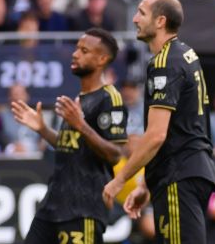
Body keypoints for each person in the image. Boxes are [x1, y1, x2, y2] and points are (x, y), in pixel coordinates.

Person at [102, 0, 215, 244]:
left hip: (178, 175)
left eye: (141, 13)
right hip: (188, 170)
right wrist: (145, 185)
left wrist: (119, 181)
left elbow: (156, 135)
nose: (134, 19)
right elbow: (179, 129)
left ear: (160, 21)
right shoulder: (186, 53)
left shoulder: (165, 62)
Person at [12, 28, 128, 244]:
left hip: (82, 208)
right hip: (53, 206)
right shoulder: (80, 98)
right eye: (76, 49)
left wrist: (81, 125)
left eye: (84, 51)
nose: (75, 54)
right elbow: (73, 146)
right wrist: (43, 129)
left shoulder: (110, 98)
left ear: (102, 59)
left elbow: (115, 154)